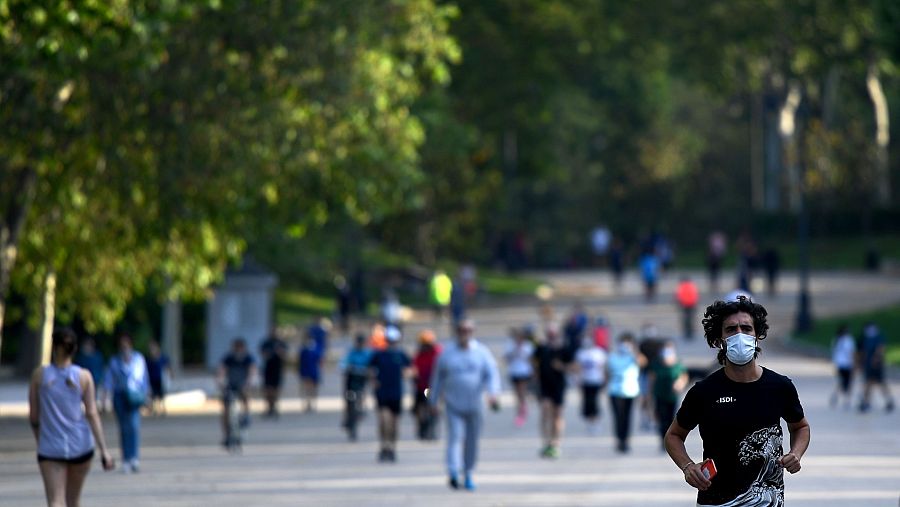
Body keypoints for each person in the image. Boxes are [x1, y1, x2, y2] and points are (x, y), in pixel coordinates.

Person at [665, 296, 810, 506]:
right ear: (719, 340)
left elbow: (801, 427)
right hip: (716, 500)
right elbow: (673, 435)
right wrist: (688, 467)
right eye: (731, 329)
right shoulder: (704, 392)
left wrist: (796, 453)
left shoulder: (780, 386)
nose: (740, 335)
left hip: (766, 501)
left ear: (757, 336)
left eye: (746, 328)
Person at [29, 328, 115, 506]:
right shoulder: (84, 376)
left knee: (55, 501)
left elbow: (34, 417)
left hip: (50, 447)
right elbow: (92, 413)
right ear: (75, 349)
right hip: (81, 446)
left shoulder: (39, 376)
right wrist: (104, 450)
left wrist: (40, 440)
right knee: (73, 501)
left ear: (53, 347)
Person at [429, 319, 501, 491]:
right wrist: (433, 400)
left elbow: (492, 375)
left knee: (472, 440)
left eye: (468, 330)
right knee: (455, 437)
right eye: (462, 330)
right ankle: (453, 471)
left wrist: (493, 393)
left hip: (475, 404)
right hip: (453, 404)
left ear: (473, 332)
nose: (465, 333)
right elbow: (436, 379)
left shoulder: (482, 352)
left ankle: (468, 472)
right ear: (457, 332)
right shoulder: (447, 354)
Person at [105, 333, 149, 473]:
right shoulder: (114, 361)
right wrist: (106, 397)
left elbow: (144, 379)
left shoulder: (138, 359)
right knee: (123, 428)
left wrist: (146, 396)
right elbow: (109, 380)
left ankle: (134, 458)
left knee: (134, 426)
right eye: (122, 344)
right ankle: (126, 459)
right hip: (119, 396)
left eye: (126, 343)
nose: (124, 346)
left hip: (134, 396)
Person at [368, 325, 411, 462]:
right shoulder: (379, 354)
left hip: (396, 393)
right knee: (383, 420)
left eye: (394, 341)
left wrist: (407, 374)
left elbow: (410, 368)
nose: (392, 343)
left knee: (394, 423)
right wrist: (373, 380)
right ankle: (383, 445)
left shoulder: (401, 355)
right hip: (382, 393)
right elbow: (370, 369)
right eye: (390, 341)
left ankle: (392, 447)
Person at [533, 326, 574, 459]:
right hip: (544, 385)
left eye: (553, 333)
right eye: (549, 333)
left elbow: (574, 366)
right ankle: (545, 442)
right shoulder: (541, 348)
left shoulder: (564, 348)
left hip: (559, 385)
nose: (551, 336)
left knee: (557, 414)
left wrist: (561, 366)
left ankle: (556, 443)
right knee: (545, 410)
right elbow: (533, 363)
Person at [217, 338, 257, 447]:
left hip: (243, 385)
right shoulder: (229, 357)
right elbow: (222, 370)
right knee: (225, 409)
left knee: (245, 395)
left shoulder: (248, 358)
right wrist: (220, 381)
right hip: (230, 385)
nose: (238, 350)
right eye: (236, 347)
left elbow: (252, 370)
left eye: (240, 347)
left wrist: (249, 382)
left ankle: (247, 414)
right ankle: (226, 435)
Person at [649, 340, 688, 451]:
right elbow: (651, 379)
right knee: (662, 419)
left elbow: (684, 376)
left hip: (672, 397)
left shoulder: (677, 364)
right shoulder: (656, 363)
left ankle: (669, 441)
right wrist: (648, 396)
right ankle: (663, 441)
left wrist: (680, 384)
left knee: (671, 420)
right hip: (659, 395)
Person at [607, 332, 641, 453]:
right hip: (615, 391)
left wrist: (635, 351)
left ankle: (626, 440)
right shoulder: (613, 357)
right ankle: (619, 440)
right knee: (618, 417)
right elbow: (607, 372)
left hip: (630, 391)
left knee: (627, 417)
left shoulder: (633, 357)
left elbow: (642, 362)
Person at [340, 333, 373, 440]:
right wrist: (347, 368)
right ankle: (348, 419)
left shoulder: (367, 353)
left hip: (362, 381)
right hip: (351, 381)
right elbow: (343, 364)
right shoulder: (351, 353)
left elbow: (373, 364)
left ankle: (360, 411)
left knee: (360, 398)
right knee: (349, 401)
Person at [574, 334, 608, 434]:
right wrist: (578, 379)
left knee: (595, 401)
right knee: (587, 402)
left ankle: (596, 421)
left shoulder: (599, 352)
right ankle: (589, 421)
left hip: (596, 380)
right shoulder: (580, 353)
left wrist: (604, 380)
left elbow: (603, 367)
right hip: (585, 380)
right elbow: (578, 367)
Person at [412, 329, 442, 440]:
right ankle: (422, 426)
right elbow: (414, 367)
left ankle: (432, 429)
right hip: (421, 386)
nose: (426, 346)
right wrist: (414, 375)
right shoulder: (419, 354)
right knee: (418, 408)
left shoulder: (438, 353)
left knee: (433, 407)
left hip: (434, 386)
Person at [858, 322, 895, 413]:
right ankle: (866, 402)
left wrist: (876, 359)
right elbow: (863, 352)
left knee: (880, 383)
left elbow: (881, 349)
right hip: (868, 365)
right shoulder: (866, 338)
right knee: (868, 383)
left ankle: (888, 401)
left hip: (877, 365)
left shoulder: (878, 338)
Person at [504, 326, 535, 427]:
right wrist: (515, 350)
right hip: (514, 371)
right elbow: (507, 358)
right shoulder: (510, 345)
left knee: (521, 391)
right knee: (517, 394)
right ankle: (520, 410)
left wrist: (533, 371)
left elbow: (531, 359)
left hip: (524, 371)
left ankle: (522, 411)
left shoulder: (527, 345)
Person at [259, 329, 287, 418]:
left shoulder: (281, 343)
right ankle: (269, 407)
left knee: (276, 389)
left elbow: (284, 355)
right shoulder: (266, 343)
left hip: (277, 369)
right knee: (267, 389)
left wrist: (280, 352)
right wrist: (268, 354)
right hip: (268, 369)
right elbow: (262, 353)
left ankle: (274, 406)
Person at [73, 336, 106, 413]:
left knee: (92, 403)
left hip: (95, 383)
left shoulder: (97, 356)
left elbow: (101, 370)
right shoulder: (80, 357)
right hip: (83, 383)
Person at [829, 324, 856, 409]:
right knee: (848, 383)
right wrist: (854, 363)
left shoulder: (836, 340)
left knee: (841, 381)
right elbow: (851, 352)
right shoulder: (848, 340)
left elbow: (834, 352)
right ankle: (847, 400)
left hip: (839, 364)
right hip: (847, 364)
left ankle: (836, 395)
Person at [298, 331, 323, 413]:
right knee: (307, 387)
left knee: (313, 388)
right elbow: (300, 360)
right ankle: (307, 403)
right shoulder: (304, 349)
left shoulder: (316, 348)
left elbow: (319, 360)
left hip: (313, 370)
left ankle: (312, 403)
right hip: (306, 370)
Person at [145, 340, 170, 416]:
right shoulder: (149, 359)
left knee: (161, 394)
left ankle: (162, 408)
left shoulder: (162, 357)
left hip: (160, 379)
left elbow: (167, 366)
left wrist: (169, 374)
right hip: (152, 379)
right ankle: (155, 409)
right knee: (153, 395)